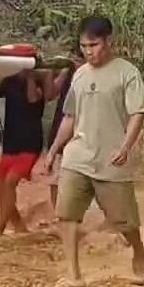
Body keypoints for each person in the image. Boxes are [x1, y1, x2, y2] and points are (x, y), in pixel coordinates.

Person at [43, 16, 144, 287]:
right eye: (83, 46)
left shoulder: (127, 73)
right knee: (66, 215)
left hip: (111, 158)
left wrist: (125, 146)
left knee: (123, 221)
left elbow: (137, 113)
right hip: (77, 155)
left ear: (108, 42)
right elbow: (70, 116)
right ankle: (73, 275)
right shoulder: (79, 75)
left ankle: (140, 253)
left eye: (94, 45)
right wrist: (54, 149)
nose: (89, 51)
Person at [0, 70, 53, 234]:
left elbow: (33, 99)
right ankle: (19, 226)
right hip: (11, 142)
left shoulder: (39, 82)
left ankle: (0, 228)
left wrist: (30, 76)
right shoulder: (9, 81)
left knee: (10, 182)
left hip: (29, 142)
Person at [47, 44, 84, 210]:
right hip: (61, 129)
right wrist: (52, 71)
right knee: (56, 180)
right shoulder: (68, 73)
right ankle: (58, 214)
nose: (76, 64)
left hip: (82, 134)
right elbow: (51, 94)